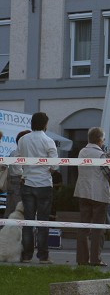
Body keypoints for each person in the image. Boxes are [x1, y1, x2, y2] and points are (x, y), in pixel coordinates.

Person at [18, 113, 59, 264]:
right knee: (43, 222)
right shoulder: (48, 141)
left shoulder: (23, 139)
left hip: (27, 182)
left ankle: (26, 255)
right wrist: (48, 169)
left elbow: (19, 158)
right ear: (45, 124)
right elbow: (55, 165)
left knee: (28, 221)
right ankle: (43, 256)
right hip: (43, 184)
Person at [74, 127, 110, 266]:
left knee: (83, 226)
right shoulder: (101, 155)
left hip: (83, 191)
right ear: (100, 139)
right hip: (98, 194)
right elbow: (108, 174)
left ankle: (82, 259)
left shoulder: (82, 152)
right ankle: (95, 258)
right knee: (97, 228)